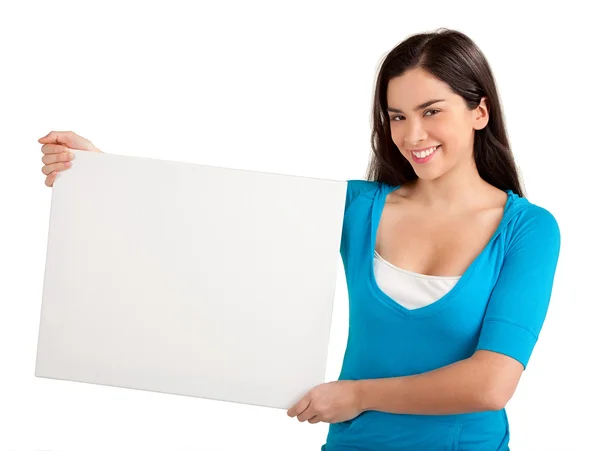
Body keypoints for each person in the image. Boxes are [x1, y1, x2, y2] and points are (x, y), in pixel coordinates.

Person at [38, 28, 561, 451]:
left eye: (431, 111)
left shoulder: (528, 229)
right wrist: (97, 173)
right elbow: (211, 223)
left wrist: (356, 395)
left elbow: (491, 384)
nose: (412, 136)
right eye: (397, 116)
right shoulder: (361, 209)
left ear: (479, 111)